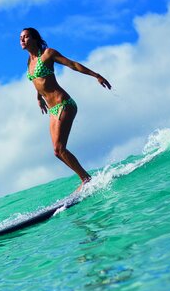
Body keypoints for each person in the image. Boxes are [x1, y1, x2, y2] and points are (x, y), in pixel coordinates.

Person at [20, 27, 111, 191]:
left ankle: (86, 179)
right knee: (57, 151)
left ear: (34, 39)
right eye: (21, 38)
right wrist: (38, 98)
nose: (22, 40)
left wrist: (96, 75)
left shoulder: (47, 54)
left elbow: (73, 64)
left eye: (26, 37)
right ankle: (86, 178)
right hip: (52, 110)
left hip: (64, 104)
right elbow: (38, 81)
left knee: (59, 148)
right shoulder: (29, 62)